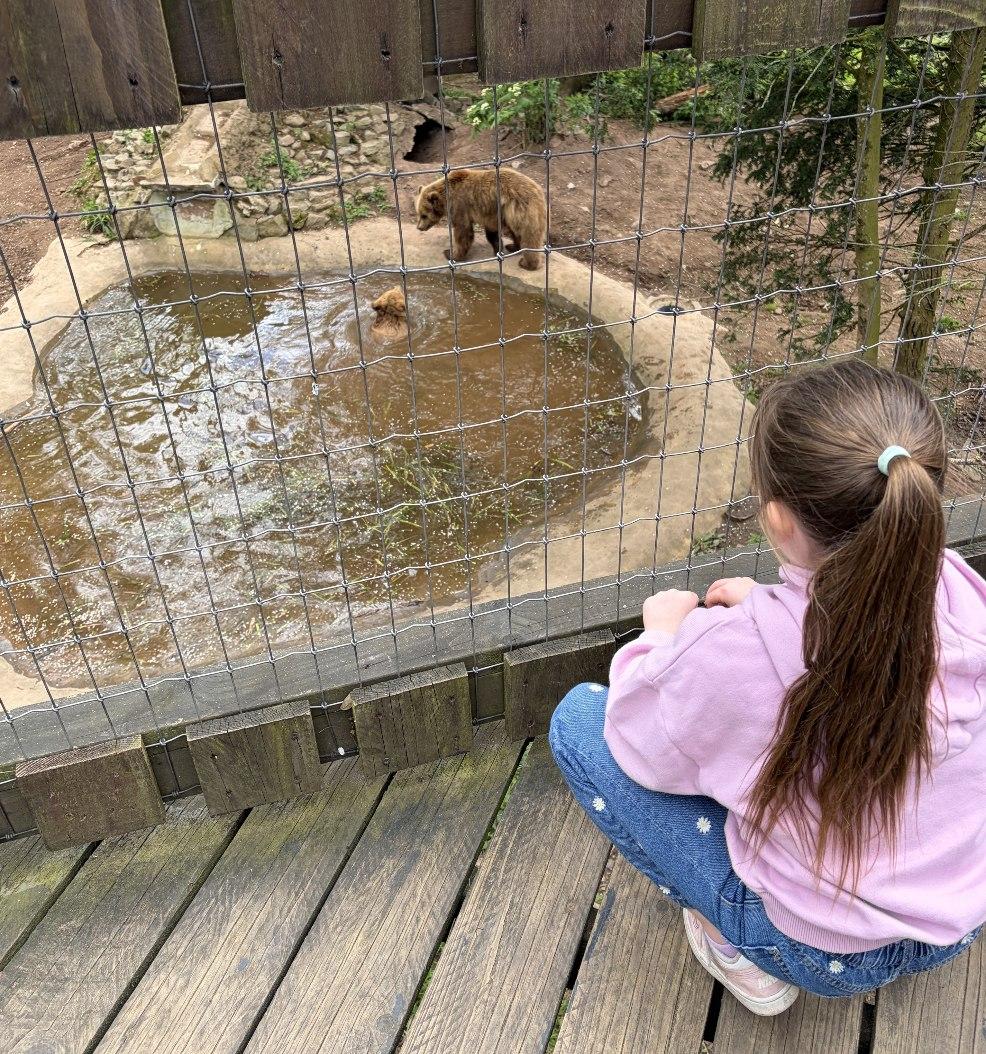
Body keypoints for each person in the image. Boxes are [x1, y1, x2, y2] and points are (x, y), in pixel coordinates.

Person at [549, 359, 985, 1015]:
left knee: (578, 725)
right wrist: (766, 604)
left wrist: (664, 637)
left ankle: (740, 952)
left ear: (778, 522)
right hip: (960, 914)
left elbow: (640, 743)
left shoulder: (732, 655)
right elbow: (852, 638)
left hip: (825, 954)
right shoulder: (960, 589)